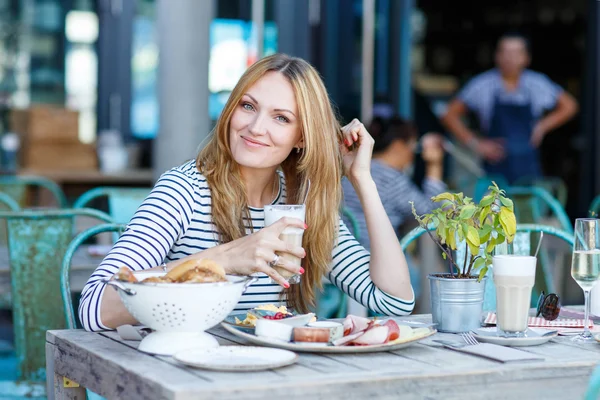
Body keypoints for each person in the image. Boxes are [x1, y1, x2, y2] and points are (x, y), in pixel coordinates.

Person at [79, 54, 415, 331]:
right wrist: (223, 259)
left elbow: (394, 301)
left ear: (302, 137)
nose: (255, 128)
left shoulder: (299, 206)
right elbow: (95, 309)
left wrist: (362, 180)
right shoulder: (184, 191)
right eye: (248, 106)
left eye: (281, 118)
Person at [441, 32, 578, 183]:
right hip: (494, 167)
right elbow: (449, 115)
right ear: (496, 56)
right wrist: (476, 143)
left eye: (515, 53)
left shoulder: (537, 83)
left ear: (526, 58)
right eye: (504, 52)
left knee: (528, 204)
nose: (509, 58)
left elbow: (570, 106)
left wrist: (542, 126)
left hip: (528, 167)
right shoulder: (482, 85)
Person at [342, 117, 447, 251]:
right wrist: (434, 165)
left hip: (345, 251)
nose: (413, 155)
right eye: (413, 146)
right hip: (373, 255)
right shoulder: (391, 179)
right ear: (398, 146)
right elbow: (431, 213)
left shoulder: (353, 168)